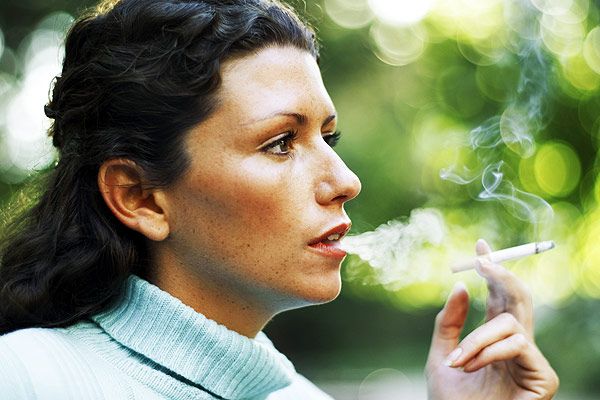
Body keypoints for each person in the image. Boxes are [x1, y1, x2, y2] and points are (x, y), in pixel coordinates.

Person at [0, 0, 558, 399]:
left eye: (328, 137)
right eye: (280, 143)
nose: (345, 181)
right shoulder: (25, 379)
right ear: (141, 197)